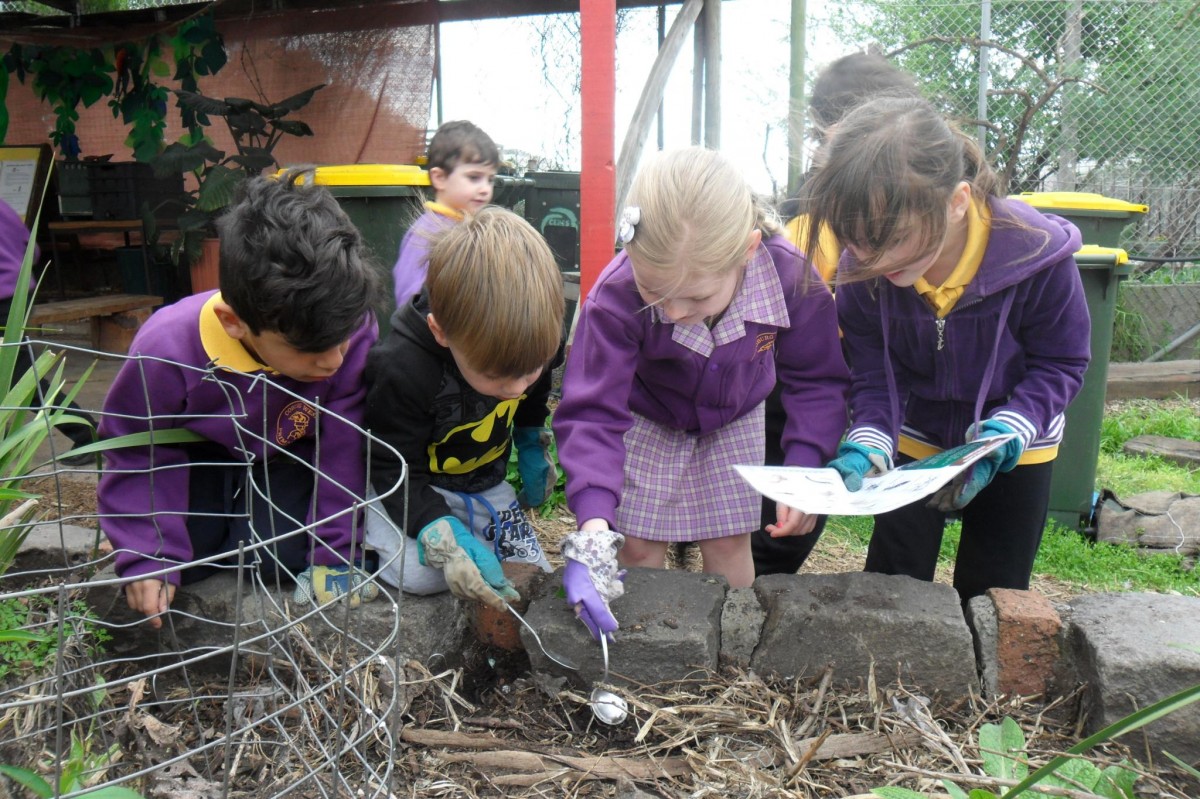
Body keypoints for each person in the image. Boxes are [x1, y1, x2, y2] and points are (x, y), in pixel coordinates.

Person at [552, 147, 849, 640]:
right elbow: (592, 412)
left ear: (748, 250)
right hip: (649, 415)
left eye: (696, 297)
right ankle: (647, 643)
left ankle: (730, 651)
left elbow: (817, 378)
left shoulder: (790, 277)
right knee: (638, 547)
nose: (671, 313)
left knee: (730, 544)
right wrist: (594, 526)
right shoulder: (615, 297)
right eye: (655, 293)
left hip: (736, 413)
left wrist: (803, 467)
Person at [805, 96, 1091, 601]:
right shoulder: (864, 273)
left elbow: (1062, 361)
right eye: (856, 241)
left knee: (995, 592)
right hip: (917, 438)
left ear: (956, 201)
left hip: (1014, 441)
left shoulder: (1039, 255)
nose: (871, 258)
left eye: (891, 239)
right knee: (891, 581)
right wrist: (870, 441)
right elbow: (874, 375)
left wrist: (1007, 432)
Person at [98, 169, 382, 628]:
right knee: (187, 562)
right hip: (196, 457)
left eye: (343, 338)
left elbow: (343, 442)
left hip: (290, 453)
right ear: (234, 322)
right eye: (309, 349)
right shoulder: (166, 347)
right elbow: (138, 447)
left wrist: (335, 551)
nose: (333, 361)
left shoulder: (345, 319)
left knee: (279, 560)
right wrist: (146, 548)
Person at [753, 51, 920, 578]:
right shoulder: (816, 210)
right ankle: (755, 584)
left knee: (805, 497)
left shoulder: (903, 199)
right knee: (778, 512)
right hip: (793, 372)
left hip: (852, 378)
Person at [364, 206, 564, 611]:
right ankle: (370, 540)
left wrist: (530, 440)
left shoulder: (538, 339)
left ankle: (476, 533)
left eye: (529, 369)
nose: (513, 390)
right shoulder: (404, 368)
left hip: (485, 482)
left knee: (530, 568)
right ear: (440, 332)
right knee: (419, 577)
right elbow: (390, 465)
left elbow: (535, 393)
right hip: (419, 484)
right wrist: (436, 527)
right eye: (496, 376)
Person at [0, 199, 97, 463]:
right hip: (19, 293)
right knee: (17, 376)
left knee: (21, 380)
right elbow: (32, 249)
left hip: (2, 299)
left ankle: (88, 434)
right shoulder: (3, 206)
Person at [391, 120, 499, 309]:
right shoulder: (426, 234)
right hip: (429, 335)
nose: (485, 189)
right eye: (474, 177)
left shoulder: (467, 227)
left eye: (490, 179)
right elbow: (410, 297)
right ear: (439, 178)